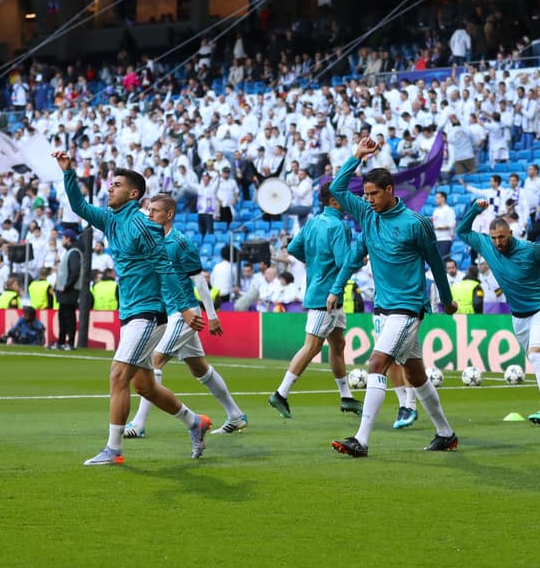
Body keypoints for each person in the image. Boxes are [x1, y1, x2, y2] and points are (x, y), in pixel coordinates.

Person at [54, 152, 212, 466]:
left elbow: (164, 266)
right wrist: (69, 173)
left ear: (133, 193)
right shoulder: (112, 219)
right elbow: (79, 207)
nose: (109, 189)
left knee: (117, 376)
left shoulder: (141, 224)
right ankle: (196, 422)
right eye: (110, 185)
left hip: (149, 313)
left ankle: (114, 450)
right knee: (146, 386)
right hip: (131, 313)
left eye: (116, 185)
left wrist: (184, 307)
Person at [328, 137, 458, 458]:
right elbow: (337, 188)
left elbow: (436, 264)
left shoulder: (416, 224)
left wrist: (446, 298)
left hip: (408, 308)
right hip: (383, 309)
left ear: (390, 190)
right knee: (415, 374)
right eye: (366, 194)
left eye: (374, 194)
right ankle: (446, 433)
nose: (368, 199)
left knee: (376, 363)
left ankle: (361, 439)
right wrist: (356, 157)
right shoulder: (367, 214)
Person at [124, 195, 243, 438]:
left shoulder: (180, 242)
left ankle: (138, 423)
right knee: (199, 368)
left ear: (169, 215)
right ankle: (236, 415)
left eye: (155, 211)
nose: (150, 214)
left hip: (184, 313)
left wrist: (211, 315)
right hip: (167, 312)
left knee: (153, 362)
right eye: (148, 210)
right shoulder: (152, 241)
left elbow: (199, 280)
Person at [458, 199, 540, 426]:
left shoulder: (530, 249)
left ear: (511, 233)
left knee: (536, 356)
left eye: (502, 237)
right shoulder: (487, 245)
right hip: (518, 318)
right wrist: (475, 210)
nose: (497, 242)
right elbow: (462, 231)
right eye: (494, 238)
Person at [267, 183, 363, 419]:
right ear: (333, 201)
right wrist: (360, 260)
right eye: (343, 197)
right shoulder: (338, 226)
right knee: (312, 346)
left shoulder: (312, 222)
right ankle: (281, 393)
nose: (347, 201)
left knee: (338, 344)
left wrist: (317, 262)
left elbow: (292, 248)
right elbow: (343, 262)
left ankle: (346, 397)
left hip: (321, 290)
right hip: (327, 295)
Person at [53, 229, 83, 350]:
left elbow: (74, 272)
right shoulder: (70, 252)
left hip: (69, 290)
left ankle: (69, 342)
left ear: (68, 239)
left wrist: (67, 285)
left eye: (63, 237)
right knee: (63, 316)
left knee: (69, 317)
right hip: (64, 290)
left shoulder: (74, 252)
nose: (62, 240)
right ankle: (61, 342)